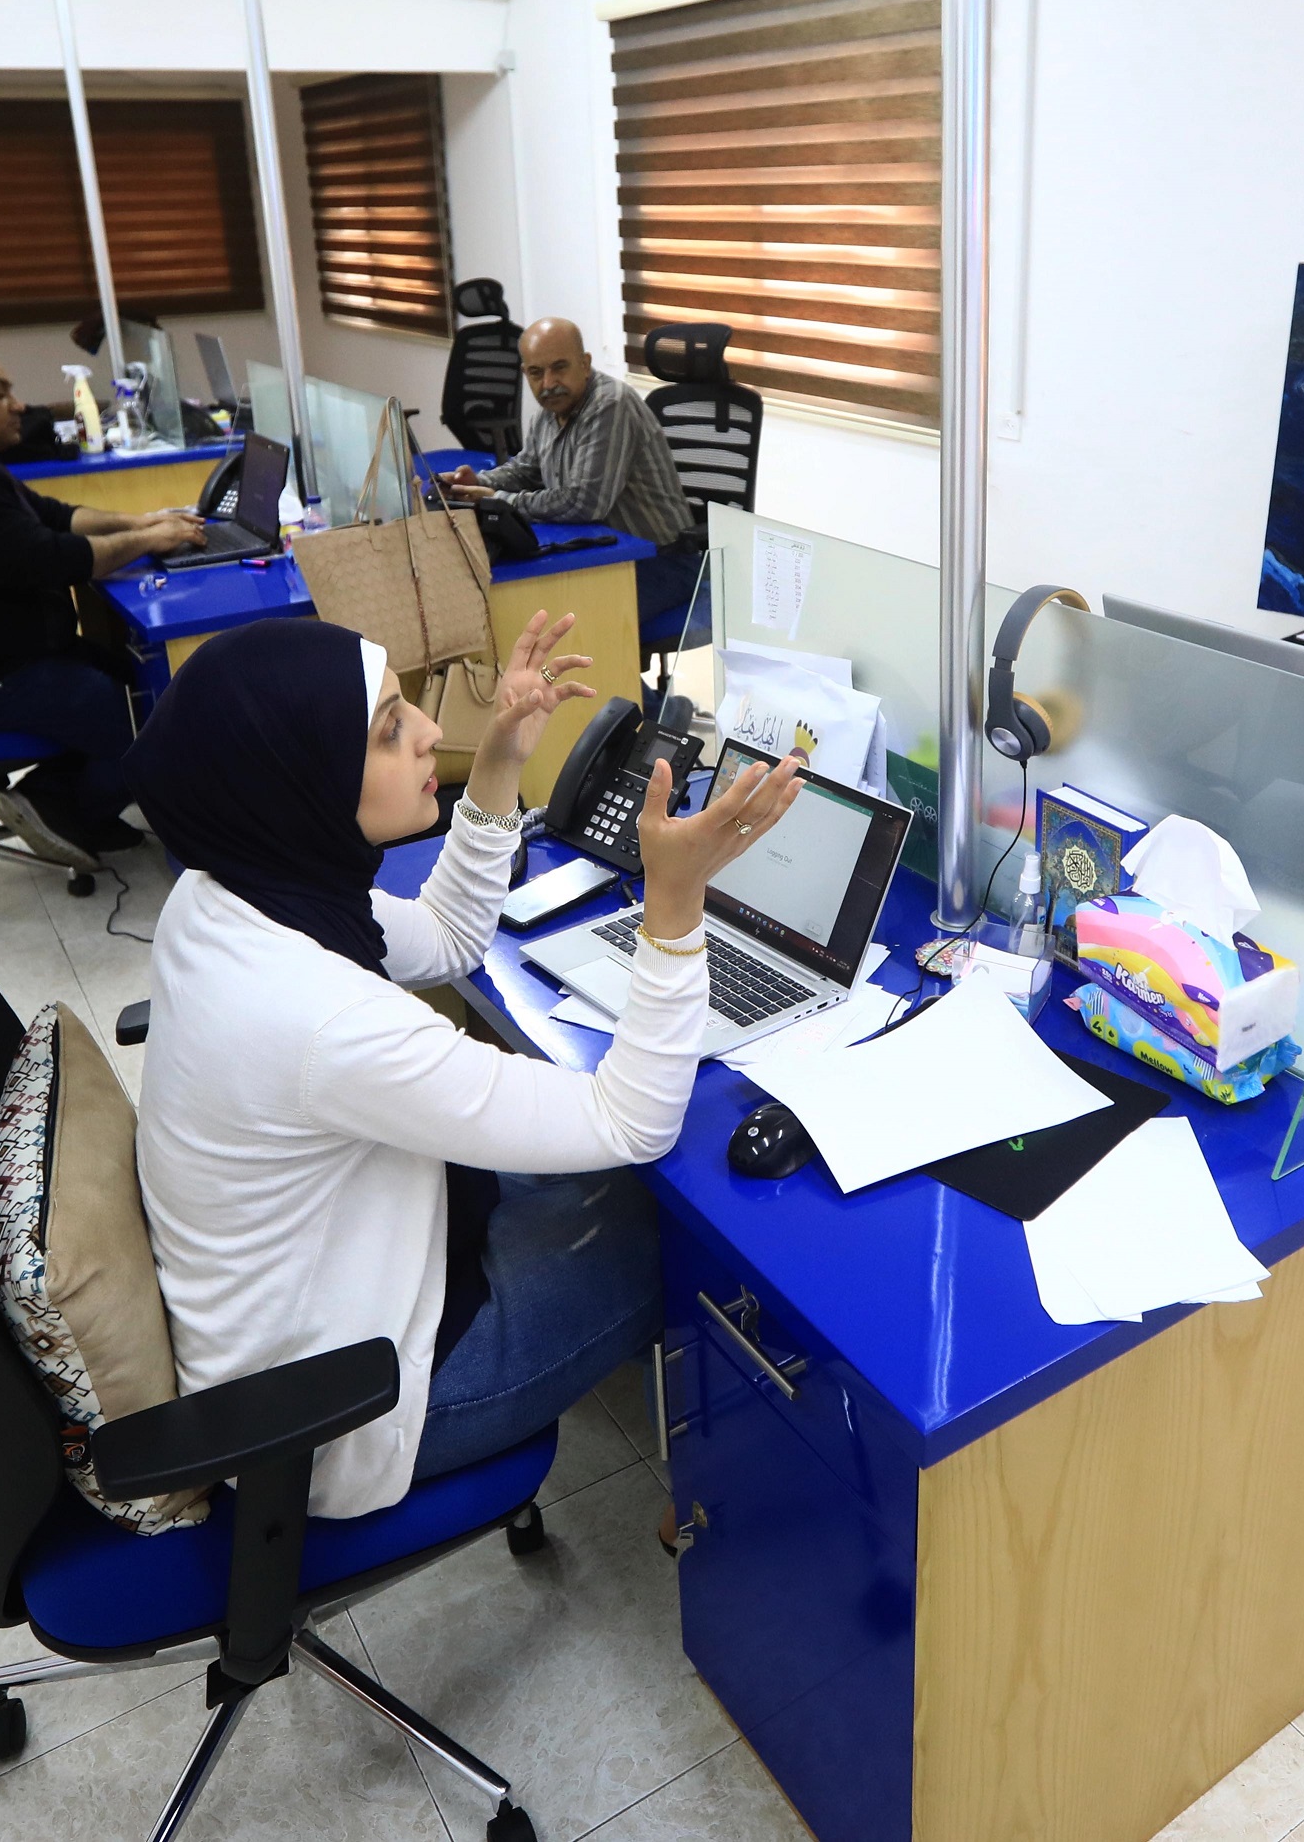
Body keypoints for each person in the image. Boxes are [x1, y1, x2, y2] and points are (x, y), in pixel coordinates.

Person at [127, 607, 806, 1517]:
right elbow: (631, 1121)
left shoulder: (234, 893)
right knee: (697, 1249)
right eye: (389, 730)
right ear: (301, 777)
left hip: (309, 1300)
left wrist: (497, 764)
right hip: (344, 1410)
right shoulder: (317, 1014)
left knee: (611, 1193)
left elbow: (445, 938)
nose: (430, 733)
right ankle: (750, 1515)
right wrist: (675, 908)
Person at [0, 345, 210, 868]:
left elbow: (57, 517)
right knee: (141, 715)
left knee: (147, 680)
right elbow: (58, 558)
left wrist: (143, 522)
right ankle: (56, 803)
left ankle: (68, 806)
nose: (18, 405)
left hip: (15, 654)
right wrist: (150, 541)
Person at [444, 318, 699, 621]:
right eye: (536, 373)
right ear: (525, 374)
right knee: (512, 600)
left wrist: (497, 501)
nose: (548, 383)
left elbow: (584, 501)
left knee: (565, 621)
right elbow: (526, 469)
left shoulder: (610, 405)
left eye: (559, 367)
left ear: (585, 363)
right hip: (599, 553)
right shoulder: (549, 411)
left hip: (660, 560)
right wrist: (477, 483)